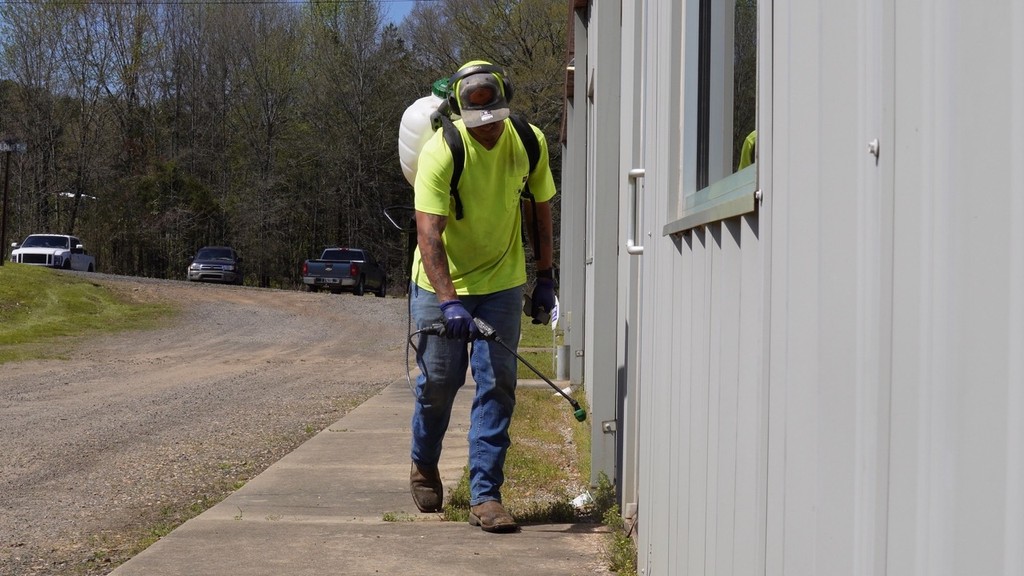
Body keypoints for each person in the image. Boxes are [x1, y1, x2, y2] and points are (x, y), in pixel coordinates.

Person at [407, 60, 557, 533]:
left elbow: (540, 210)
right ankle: (424, 462)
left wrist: (546, 276)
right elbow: (429, 233)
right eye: (478, 123)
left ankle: (485, 494)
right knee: (438, 386)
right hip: (441, 283)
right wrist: (450, 301)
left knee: (497, 386)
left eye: (494, 119)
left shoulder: (529, 142)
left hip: (501, 281)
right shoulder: (441, 151)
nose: (488, 129)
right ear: (459, 115)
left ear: (504, 106)